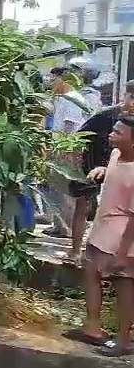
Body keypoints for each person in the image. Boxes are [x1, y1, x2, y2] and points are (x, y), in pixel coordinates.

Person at [63, 115, 134, 357]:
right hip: (101, 231)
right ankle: (93, 328)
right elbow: (114, 172)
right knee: (91, 274)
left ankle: (124, 339)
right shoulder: (115, 155)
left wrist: (124, 253)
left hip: (121, 237)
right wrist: (101, 170)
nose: (111, 135)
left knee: (124, 286)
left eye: (118, 133)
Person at [68, 80, 134, 261]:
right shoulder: (105, 116)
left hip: (123, 169)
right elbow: (79, 138)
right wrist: (76, 168)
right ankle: (75, 251)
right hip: (93, 165)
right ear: (125, 96)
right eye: (132, 98)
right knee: (84, 206)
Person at [46, 67, 96, 237]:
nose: (51, 83)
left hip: (67, 151)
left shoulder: (73, 100)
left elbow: (72, 128)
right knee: (57, 189)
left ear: (65, 80)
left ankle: (67, 228)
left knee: (66, 191)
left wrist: (64, 151)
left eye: (54, 80)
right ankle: (58, 225)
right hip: (58, 149)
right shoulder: (61, 99)